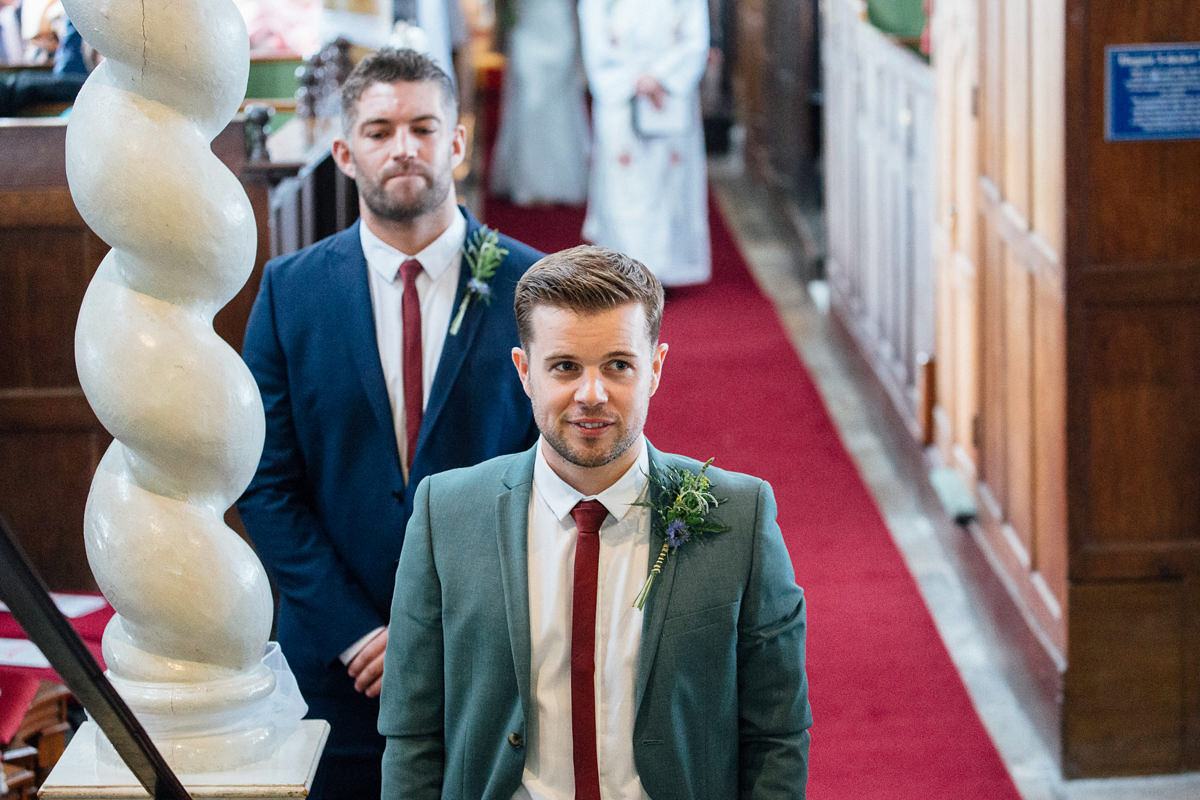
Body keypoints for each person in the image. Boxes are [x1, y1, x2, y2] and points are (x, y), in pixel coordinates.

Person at [380, 246, 812, 798]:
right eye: (565, 367)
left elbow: (777, 733)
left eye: (618, 365)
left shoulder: (740, 515)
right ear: (524, 371)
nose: (592, 395)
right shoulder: (446, 512)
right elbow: (412, 733)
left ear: (654, 369)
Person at [236, 47, 542, 800]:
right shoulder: (289, 294)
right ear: (344, 152)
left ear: (458, 144)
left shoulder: (535, 288)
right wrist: (360, 632)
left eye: (422, 127)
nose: (402, 147)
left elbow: (553, 473)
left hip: (488, 653)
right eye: (378, 130)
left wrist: (442, 630)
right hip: (338, 663)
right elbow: (265, 484)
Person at [578, 0, 712, 287]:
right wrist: (634, 79)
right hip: (621, 95)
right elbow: (595, 34)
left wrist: (659, 77)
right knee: (623, 183)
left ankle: (665, 267)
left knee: (669, 181)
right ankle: (623, 265)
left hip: (669, 96)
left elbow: (695, 38)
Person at [489, 0, 590, 206]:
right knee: (530, 101)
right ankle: (527, 182)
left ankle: (559, 182)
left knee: (558, 105)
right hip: (527, 23)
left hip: (558, 22)